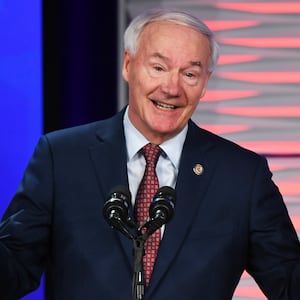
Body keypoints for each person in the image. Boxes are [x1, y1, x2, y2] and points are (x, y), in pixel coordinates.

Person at [0, 7, 300, 300]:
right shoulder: (61, 157)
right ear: (128, 65)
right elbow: (12, 270)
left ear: (205, 83)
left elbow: (289, 281)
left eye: (190, 74)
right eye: (158, 68)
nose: (171, 88)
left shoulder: (242, 175)